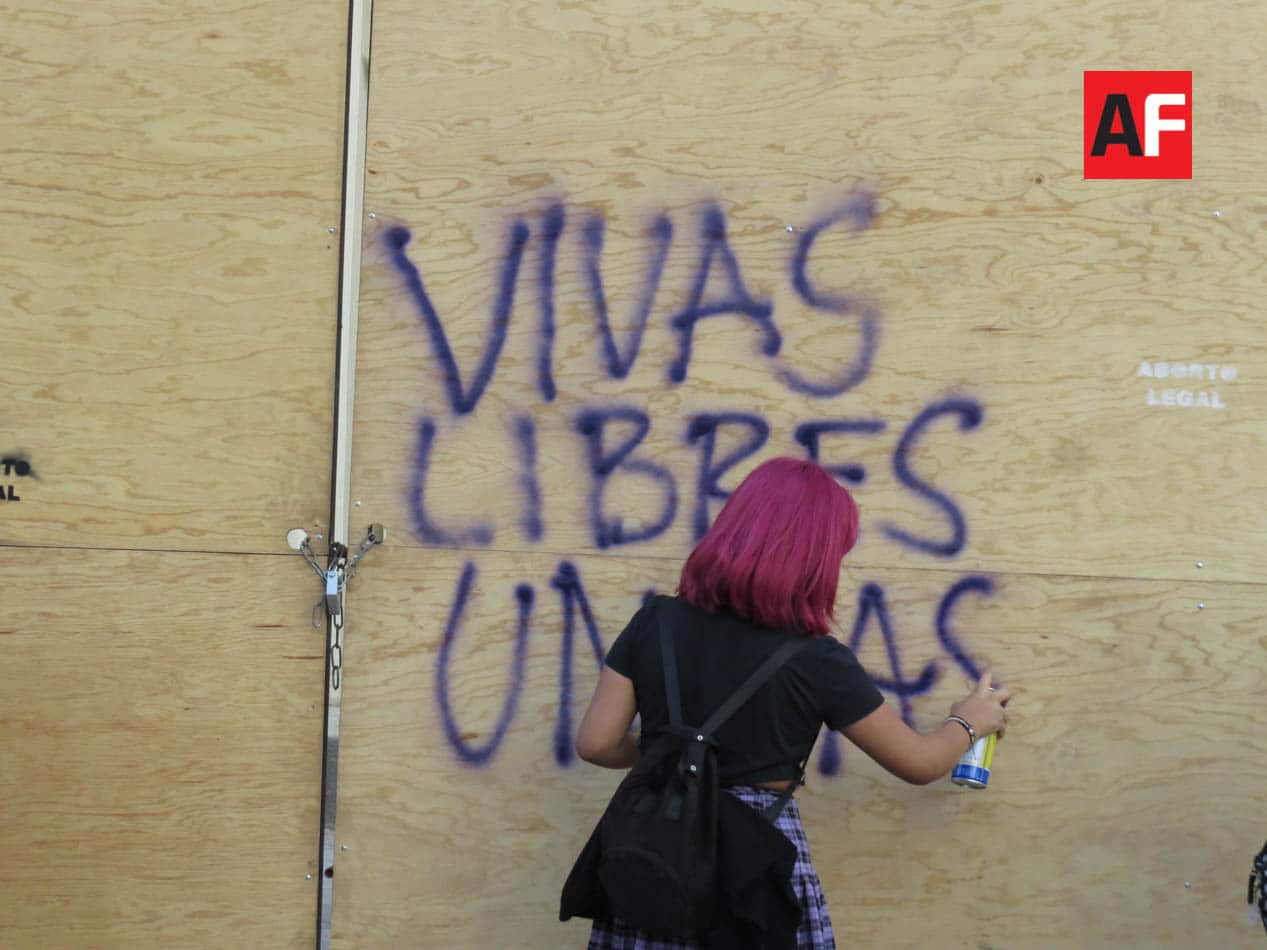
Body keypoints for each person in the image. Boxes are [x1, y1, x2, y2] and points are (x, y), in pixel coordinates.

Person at [572, 456, 1011, 949]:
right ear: (818, 559)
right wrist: (969, 721)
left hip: (659, 855)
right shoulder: (817, 659)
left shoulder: (656, 620)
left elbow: (596, 743)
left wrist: (670, 756)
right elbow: (920, 762)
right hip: (756, 865)